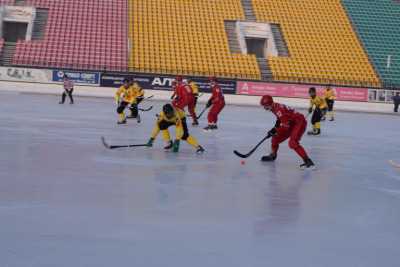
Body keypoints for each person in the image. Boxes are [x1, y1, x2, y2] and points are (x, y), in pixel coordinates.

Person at [260, 95, 315, 169]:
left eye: (265, 106)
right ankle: (273, 155)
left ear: (269, 104)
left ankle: (308, 162)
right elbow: (280, 119)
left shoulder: (278, 109)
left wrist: (275, 131)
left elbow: (285, 127)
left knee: (292, 142)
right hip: (291, 122)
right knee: (275, 138)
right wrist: (274, 129)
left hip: (299, 122)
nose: (264, 108)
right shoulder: (274, 107)